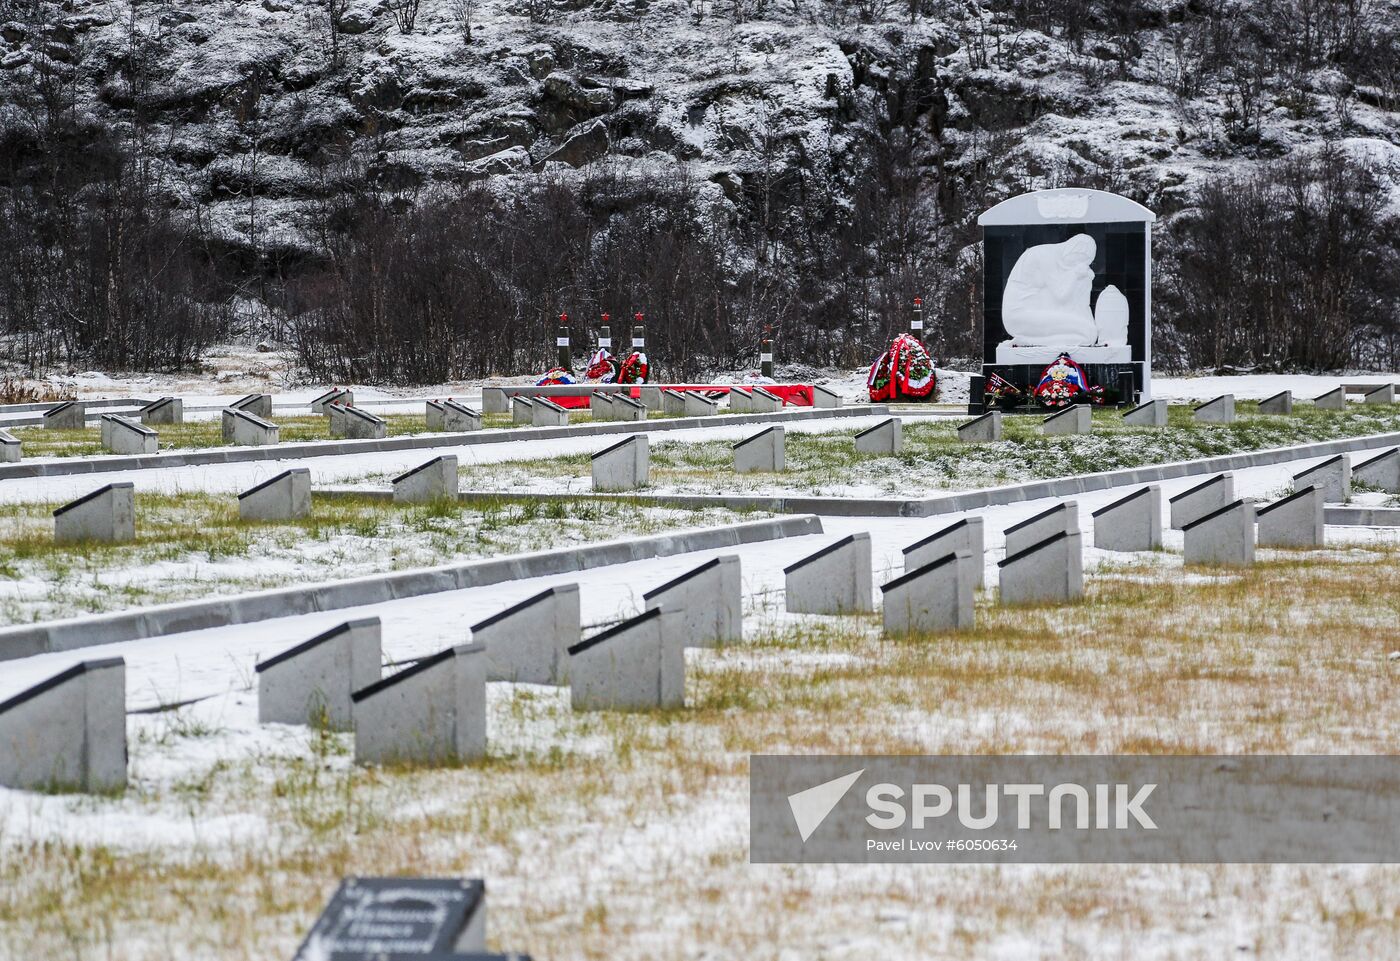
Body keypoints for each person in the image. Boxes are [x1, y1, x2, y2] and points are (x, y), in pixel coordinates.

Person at [1001, 235, 1098, 346]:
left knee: (1089, 333)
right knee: (1088, 332)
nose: (1078, 264)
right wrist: (1075, 274)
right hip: (1019, 315)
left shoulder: (1058, 258)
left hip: (1036, 312)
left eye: (1085, 262)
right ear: (1075, 250)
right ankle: (1027, 342)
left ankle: (1029, 342)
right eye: (1079, 260)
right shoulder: (1044, 255)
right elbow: (1061, 295)